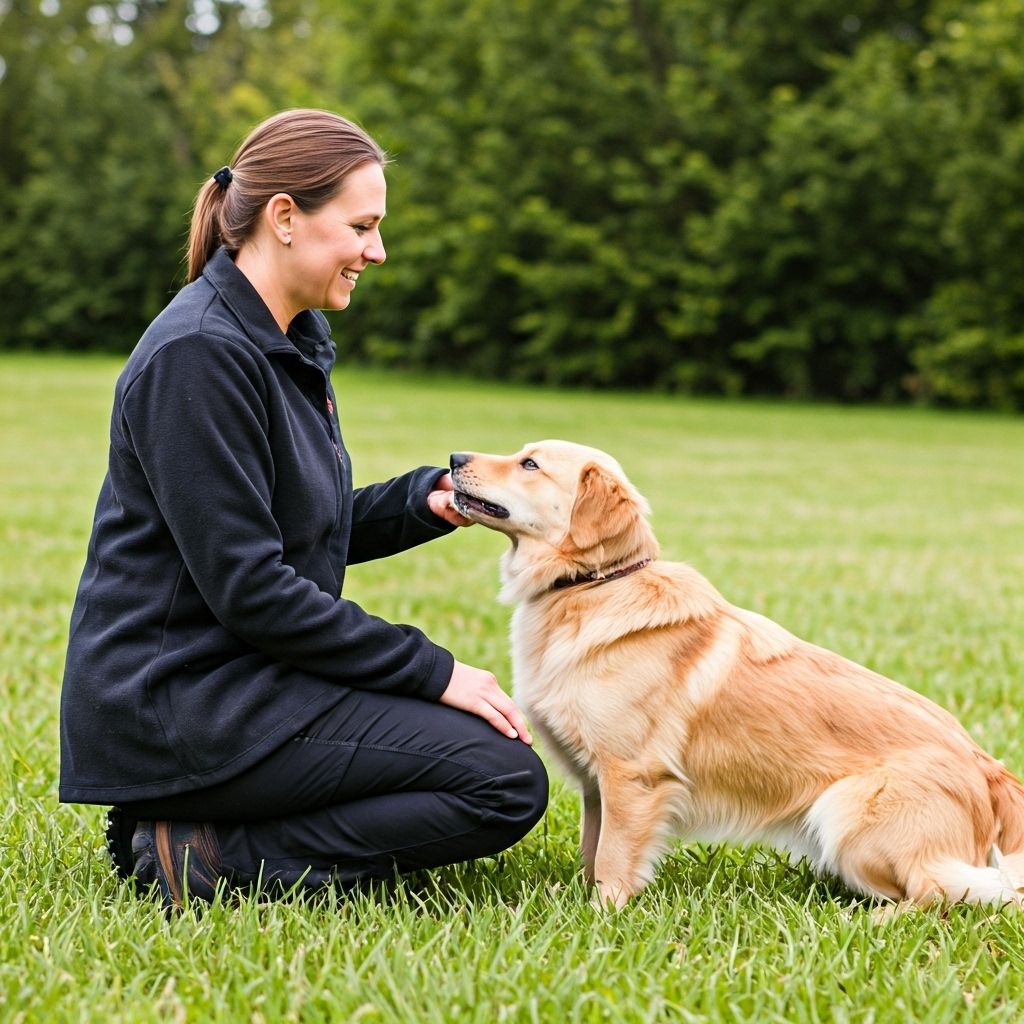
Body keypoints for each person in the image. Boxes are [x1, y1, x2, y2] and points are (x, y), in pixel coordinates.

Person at [58, 109, 548, 909]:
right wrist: (436, 672)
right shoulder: (200, 355)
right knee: (498, 781)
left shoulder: (286, 337)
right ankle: (207, 854)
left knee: (487, 760)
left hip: (244, 680)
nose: (376, 250)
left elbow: (294, 531)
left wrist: (423, 501)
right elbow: (252, 588)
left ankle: (210, 828)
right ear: (284, 217)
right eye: (361, 225)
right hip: (184, 705)